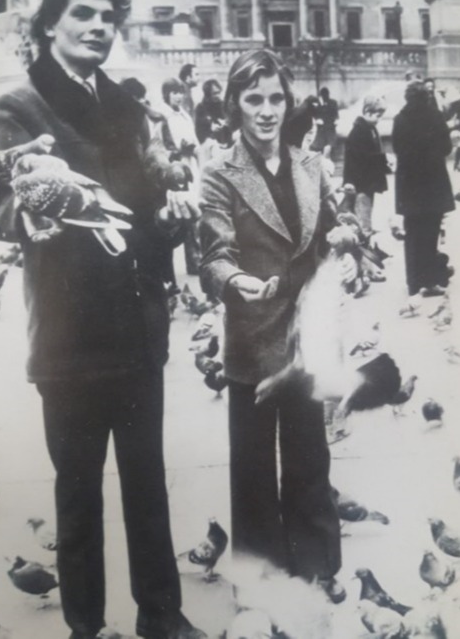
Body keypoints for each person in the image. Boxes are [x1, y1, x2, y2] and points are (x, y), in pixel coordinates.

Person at [0, 0, 204, 639]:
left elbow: (143, 213)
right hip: (71, 335)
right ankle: (86, 625)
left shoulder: (128, 107)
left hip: (137, 326)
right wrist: (29, 216)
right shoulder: (20, 108)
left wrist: (176, 218)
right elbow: (0, 208)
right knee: (78, 493)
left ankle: (162, 618)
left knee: (148, 485)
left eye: (108, 18)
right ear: (50, 24)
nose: (98, 27)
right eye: (83, 14)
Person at [199, 49, 347, 604]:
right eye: (253, 98)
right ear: (235, 104)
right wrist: (236, 281)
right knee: (254, 465)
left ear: (289, 103)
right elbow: (212, 253)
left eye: (276, 98)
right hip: (254, 335)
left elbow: (331, 226)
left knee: (311, 452)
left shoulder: (311, 164)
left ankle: (317, 563)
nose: (266, 111)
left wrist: (347, 241)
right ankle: (261, 577)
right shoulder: (220, 173)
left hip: (306, 334)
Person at [392, 81, 455, 298]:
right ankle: (429, 281)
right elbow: (447, 148)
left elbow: (398, 149)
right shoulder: (435, 117)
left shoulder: (399, 120)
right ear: (426, 97)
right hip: (433, 186)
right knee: (430, 234)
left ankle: (413, 284)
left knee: (412, 236)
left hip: (410, 187)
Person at [161, 77, 201, 275]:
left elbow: (195, 141)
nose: (178, 96)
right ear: (166, 94)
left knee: (193, 215)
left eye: (180, 92)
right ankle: (167, 271)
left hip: (190, 167)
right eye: (174, 92)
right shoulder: (164, 117)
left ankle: (195, 261)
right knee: (177, 217)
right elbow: (161, 147)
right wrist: (178, 149)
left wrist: (192, 147)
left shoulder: (184, 115)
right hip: (175, 172)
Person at [343, 95, 390, 237]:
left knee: (366, 213)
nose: (379, 119)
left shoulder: (370, 129)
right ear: (368, 112)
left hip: (367, 182)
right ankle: (365, 242)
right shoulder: (358, 132)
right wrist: (349, 181)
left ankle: (365, 237)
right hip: (361, 183)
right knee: (363, 217)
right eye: (378, 115)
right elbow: (355, 160)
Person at [194, 78, 232, 163]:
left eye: (219, 92)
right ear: (208, 95)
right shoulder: (200, 108)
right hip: (209, 150)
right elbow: (198, 132)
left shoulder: (224, 106)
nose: (218, 96)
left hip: (225, 147)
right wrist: (210, 128)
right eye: (215, 93)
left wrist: (226, 124)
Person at [311, 87, 338, 159]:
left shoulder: (333, 103)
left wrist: (336, 120)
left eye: (326, 95)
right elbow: (314, 114)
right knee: (319, 144)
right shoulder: (317, 104)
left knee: (330, 143)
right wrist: (317, 119)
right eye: (323, 95)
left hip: (330, 125)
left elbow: (335, 113)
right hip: (321, 127)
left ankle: (330, 152)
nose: (325, 97)